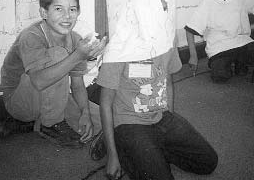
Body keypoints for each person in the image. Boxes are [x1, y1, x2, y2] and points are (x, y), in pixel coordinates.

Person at [0, 0, 106, 147]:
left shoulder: (76, 39)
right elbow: (39, 81)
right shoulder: (31, 36)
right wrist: (78, 55)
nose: (67, 16)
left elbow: (77, 85)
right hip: (20, 100)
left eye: (72, 9)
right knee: (58, 55)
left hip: (51, 97)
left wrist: (84, 113)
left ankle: (37, 121)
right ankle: (49, 124)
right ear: (44, 12)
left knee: (100, 119)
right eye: (58, 9)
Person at [93, 47, 218, 180]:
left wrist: (170, 120)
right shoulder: (118, 48)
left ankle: (151, 152)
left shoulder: (166, 41)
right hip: (129, 123)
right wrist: (113, 156)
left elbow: (168, 82)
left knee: (208, 162)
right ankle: (121, 147)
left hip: (161, 116)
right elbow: (105, 103)